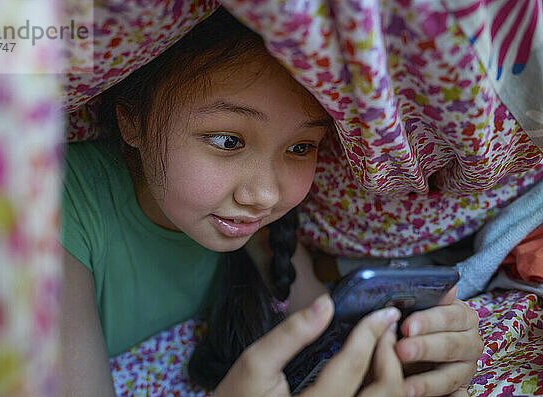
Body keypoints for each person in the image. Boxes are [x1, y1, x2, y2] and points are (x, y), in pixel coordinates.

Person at [60, 7, 482, 397]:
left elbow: (328, 348)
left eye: (300, 148)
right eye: (228, 141)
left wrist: (407, 361)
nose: (265, 195)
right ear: (131, 120)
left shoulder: (262, 234)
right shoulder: (54, 201)